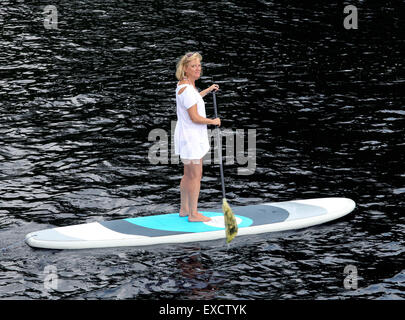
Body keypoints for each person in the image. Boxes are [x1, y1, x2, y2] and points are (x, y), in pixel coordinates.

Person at [174, 52, 220, 222]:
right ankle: (193, 214)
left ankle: (184, 209)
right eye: (193, 66)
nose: (198, 68)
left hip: (187, 137)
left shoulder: (185, 85)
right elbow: (194, 117)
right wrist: (213, 121)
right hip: (191, 138)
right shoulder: (187, 90)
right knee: (195, 176)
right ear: (185, 69)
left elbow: (192, 100)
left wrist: (207, 90)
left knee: (188, 175)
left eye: (199, 65)